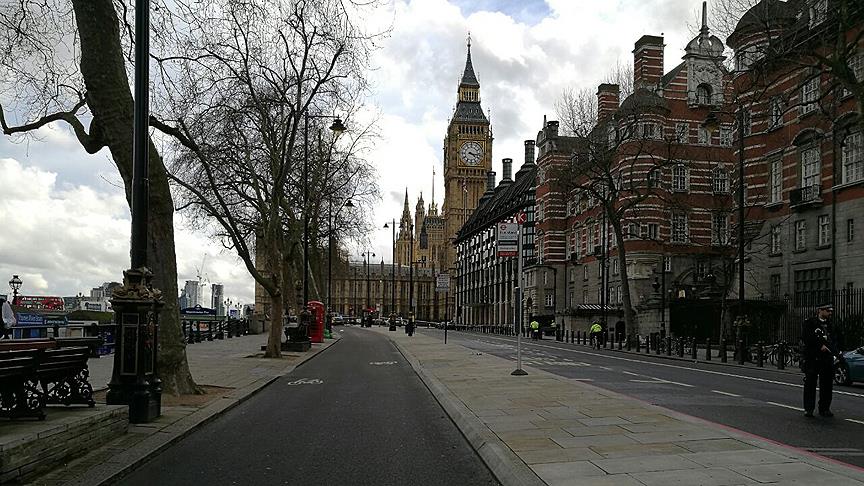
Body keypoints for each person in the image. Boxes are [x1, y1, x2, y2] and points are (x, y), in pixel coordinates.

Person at [801, 304, 840, 418]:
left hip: (827, 358)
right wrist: (819, 346)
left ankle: (824, 408)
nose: (830, 313)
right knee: (810, 384)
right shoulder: (810, 323)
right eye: (828, 311)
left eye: (831, 311)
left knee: (827, 384)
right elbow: (807, 338)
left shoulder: (831, 324)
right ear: (820, 310)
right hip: (813, 358)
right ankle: (809, 409)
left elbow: (835, 338)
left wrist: (837, 351)